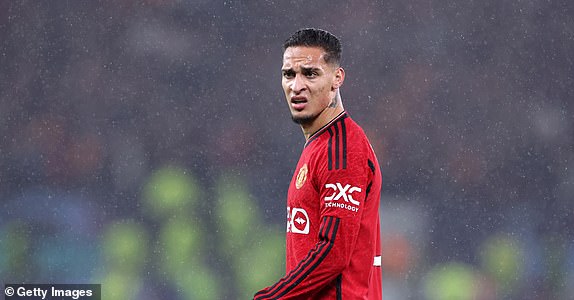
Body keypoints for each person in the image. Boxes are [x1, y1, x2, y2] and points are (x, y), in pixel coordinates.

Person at [254, 28, 382, 299]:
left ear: (337, 78)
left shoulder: (342, 150)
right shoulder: (321, 144)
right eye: (289, 74)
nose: (296, 86)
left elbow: (332, 253)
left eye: (310, 74)